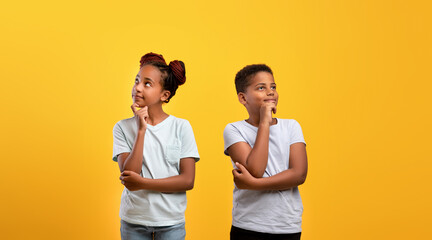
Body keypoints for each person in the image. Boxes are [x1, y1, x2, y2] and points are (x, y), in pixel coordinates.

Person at [112, 52, 199, 240]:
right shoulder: (122, 127)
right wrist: (141, 131)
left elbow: (187, 180)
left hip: (171, 223)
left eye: (147, 83)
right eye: (137, 80)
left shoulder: (181, 127)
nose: (138, 88)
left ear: (164, 95)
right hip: (133, 221)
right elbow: (129, 176)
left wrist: (143, 183)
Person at [223, 64, 308, 240]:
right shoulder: (234, 130)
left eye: (273, 87)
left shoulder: (292, 126)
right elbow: (256, 170)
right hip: (248, 225)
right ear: (243, 98)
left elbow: (298, 174)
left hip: (286, 226)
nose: (270, 92)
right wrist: (264, 123)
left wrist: (253, 184)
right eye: (261, 88)